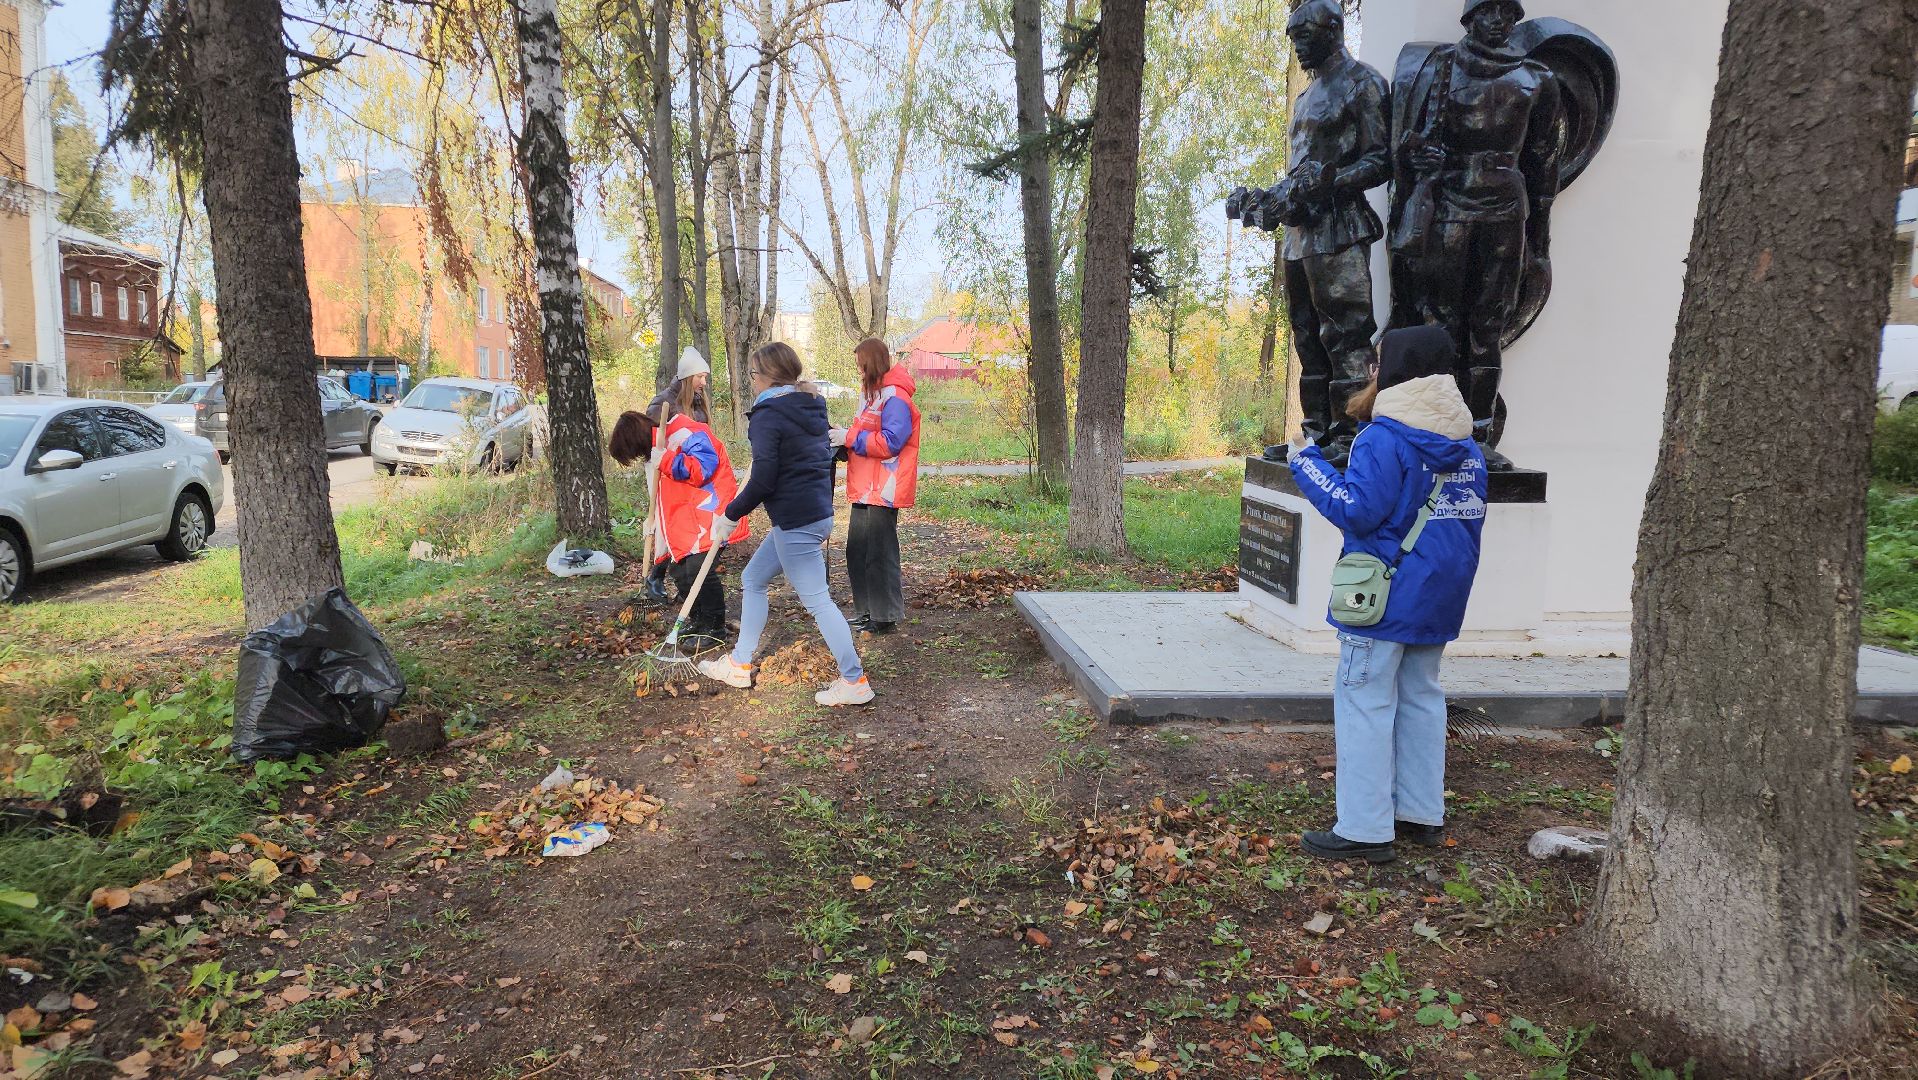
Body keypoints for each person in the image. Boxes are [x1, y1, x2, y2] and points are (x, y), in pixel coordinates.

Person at [1285, 325, 1488, 863]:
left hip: (1383, 597)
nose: (1371, 373)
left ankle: (1365, 828)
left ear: (1396, 371)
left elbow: (1356, 508)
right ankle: (1421, 815)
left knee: (1364, 701)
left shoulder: (1384, 437)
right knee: (1422, 696)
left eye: (1378, 364)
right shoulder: (1467, 446)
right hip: (1440, 596)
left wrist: (1305, 463)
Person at [698, 342, 873, 706]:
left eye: (752, 374)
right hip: (812, 515)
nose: (752, 381)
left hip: (797, 523)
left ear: (762, 377)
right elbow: (822, 459)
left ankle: (854, 681)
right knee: (753, 579)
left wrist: (730, 515)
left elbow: (763, 479)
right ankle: (739, 663)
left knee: (820, 603)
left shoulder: (768, 415)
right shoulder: (810, 405)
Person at [609, 409, 747, 641]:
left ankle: (715, 628)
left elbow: (703, 468)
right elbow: (665, 496)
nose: (638, 458)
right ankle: (698, 620)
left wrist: (666, 460)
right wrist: (653, 521)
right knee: (679, 572)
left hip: (711, 515)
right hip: (687, 524)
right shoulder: (658, 451)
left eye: (633, 453)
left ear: (637, 441)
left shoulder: (686, 432)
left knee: (698, 572)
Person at [832, 337, 921, 635]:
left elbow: (892, 442)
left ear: (874, 364)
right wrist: (841, 439)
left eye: (861, 366)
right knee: (857, 550)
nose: (859, 372)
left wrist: (849, 438)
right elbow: (863, 433)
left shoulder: (895, 396)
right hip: (865, 485)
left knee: (878, 553)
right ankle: (867, 611)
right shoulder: (873, 394)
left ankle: (884, 617)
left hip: (884, 487)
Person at [641, 347, 715, 602]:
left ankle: (685, 581)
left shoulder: (696, 400)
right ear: (687, 376)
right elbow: (651, 440)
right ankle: (656, 576)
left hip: (688, 470)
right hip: (665, 470)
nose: (703, 383)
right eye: (700, 377)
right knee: (666, 525)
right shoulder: (663, 403)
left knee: (686, 524)